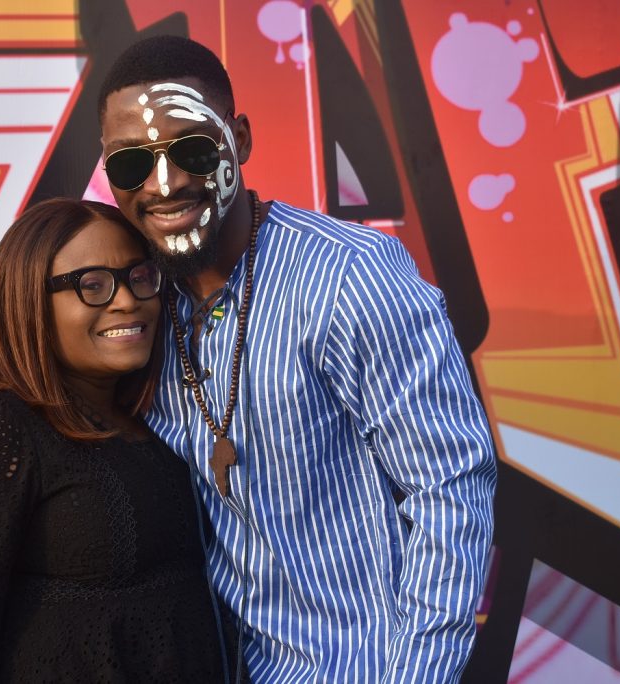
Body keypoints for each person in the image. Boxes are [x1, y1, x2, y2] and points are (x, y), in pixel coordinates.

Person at [97, 36, 498, 683]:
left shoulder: (348, 278)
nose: (164, 184)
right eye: (132, 163)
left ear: (240, 140)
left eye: (193, 150)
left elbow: (448, 488)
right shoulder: (137, 313)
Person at [0, 198, 238, 682]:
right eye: (92, 285)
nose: (127, 300)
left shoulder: (166, 421)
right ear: (27, 301)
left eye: (140, 277)